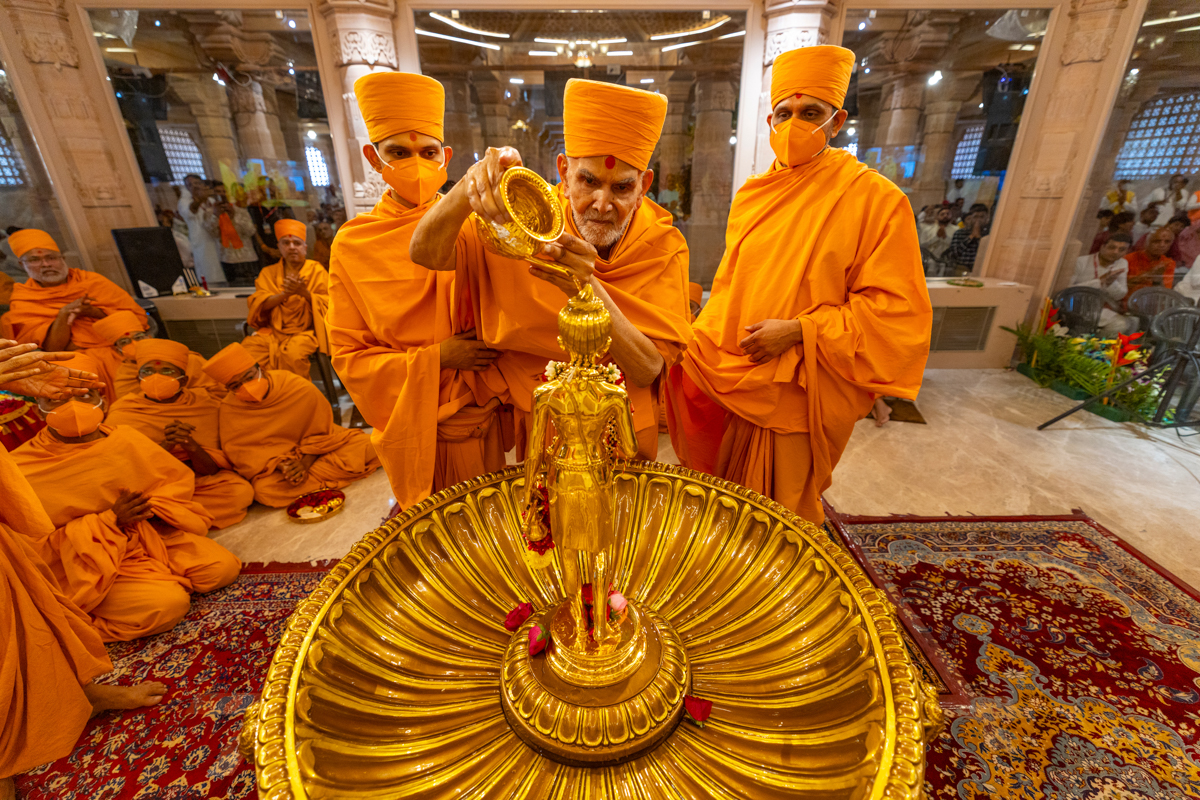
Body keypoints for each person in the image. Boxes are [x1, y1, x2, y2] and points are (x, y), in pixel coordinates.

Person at [664, 45, 931, 525]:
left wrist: (798, 332)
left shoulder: (876, 199)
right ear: (770, 121)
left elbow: (894, 310)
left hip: (799, 381)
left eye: (810, 113)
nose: (793, 125)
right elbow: (731, 286)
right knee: (726, 501)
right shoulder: (753, 195)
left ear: (837, 121)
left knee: (779, 515)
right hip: (737, 368)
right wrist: (695, 340)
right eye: (784, 113)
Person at [409, 78, 693, 458]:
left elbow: (647, 369)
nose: (602, 204)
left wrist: (586, 287)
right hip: (545, 420)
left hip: (624, 424)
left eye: (622, 188)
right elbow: (425, 253)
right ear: (564, 172)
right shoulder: (530, 220)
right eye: (588, 181)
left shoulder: (663, 246)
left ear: (643, 186)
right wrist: (467, 187)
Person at [329, 71, 510, 510]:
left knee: (489, 522)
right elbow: (350, 357)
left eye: (428, 152)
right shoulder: (353, 244)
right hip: (415, 417)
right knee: (434, 530)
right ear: (374, 158)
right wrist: (437, 358)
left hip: (480, 411)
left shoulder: (474, 226)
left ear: (445, 158)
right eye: (398, 152)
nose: (416, 164)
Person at [0, 342, 167, 800]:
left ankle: (78, 692)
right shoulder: (33, 455)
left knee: (19, 601)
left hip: (124, 550)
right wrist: (106, 522)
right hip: (88, 555)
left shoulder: (121, 437)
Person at [11, 351, 241, 642]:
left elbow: (173, 484)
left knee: (222, 569)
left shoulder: (124, 437)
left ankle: (155, 581)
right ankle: (76, 627)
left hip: (150, 537)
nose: (72, 406)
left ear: (103, 402)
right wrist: (110, 521)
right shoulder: (22, 466)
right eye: (56, 399)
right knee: (168, 606)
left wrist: (154, 507)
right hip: (87, 562)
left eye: (84, 396)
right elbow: (31, 547)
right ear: (38, 411)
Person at [202, 342, 380, 507]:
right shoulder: (230, 408)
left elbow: (323, 431)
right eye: (235, 386)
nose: (245, 386)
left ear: (261, 368)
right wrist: (282, 466)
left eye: (249, 377)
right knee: (264, 491)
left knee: (372, 446)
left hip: (320, 450)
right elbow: (243, 455)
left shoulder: (294, 385)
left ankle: (310, 483)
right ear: (228, 389)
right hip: (280, 466)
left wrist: (305, 462)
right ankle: (315, 480)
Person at [107, 340, 253, 529]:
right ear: (138, 379)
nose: (156, 377)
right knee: (130, 499)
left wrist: (189, 444)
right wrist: (166, 446)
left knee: (239, 492)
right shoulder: (123, 412)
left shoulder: (204, 403)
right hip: (156, 486)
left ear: (184, 381)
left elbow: (211, 470)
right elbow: (127, 472)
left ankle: (166, 517)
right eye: (148, 371)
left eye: (167, 371)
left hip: (198, 481)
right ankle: (171, 515)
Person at [0, 229, 146, 402]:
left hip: (120, 351)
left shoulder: (93, 282)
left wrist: (93, 312)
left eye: (51, 258)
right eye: (34, 260)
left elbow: (137, 321)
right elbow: (52, 348)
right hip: (71, 361)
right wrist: (64, 314)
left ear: (63, 258)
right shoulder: (24, 299)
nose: (46, 264)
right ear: (21, 264)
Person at [241, 219, 329, 378]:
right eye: (286, 243)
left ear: (305, 248)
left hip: (306, 332)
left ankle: (293, 392)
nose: (292, 247)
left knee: (292, 355)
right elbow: (259, 304)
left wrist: (304, 293)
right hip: (272, 331)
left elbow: (330, 304)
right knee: (246, 353)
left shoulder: (316, 270)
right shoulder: (268, 273)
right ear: (279, 247)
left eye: (297, 243)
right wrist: (285, 294)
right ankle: (264, 391)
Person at [92, 310, 226, 401]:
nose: (134, 344)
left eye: (139, 337)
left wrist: (179, 397)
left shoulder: (187, 359)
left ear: (149, 336)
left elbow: (218, 393)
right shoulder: (124, 376)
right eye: (124, 342)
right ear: (117, 349)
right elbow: (131, 406)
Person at [1068, 233, 1135, 335]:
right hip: (1075, 305)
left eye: (1122, 250)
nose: (1116, 252)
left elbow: (1120, 295)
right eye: (1112, 247)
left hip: (1099, 308)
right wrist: (1099, 281)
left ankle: (1097, 344)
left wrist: (1110, 283)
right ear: (1102, 246)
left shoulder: (1122, 263)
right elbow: (1067, 290)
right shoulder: (1081, 262)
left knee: (1126, 324)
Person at [205, 181, 260, 286]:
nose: (221, 194)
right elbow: (212, 234)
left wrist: (234, 216)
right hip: (227, 258)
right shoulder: (210, 213)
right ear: (213, 194)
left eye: (224, 191)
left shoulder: (240, 211)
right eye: (218, 192)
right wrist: (215, 216)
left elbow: (251, 231)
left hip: (247, 257)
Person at [176, 174, 226, 286]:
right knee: (210, 277)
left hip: (218, 241)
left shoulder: (211, 200)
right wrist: (198, 200)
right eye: (189, 185)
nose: (194, 187)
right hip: (202, 244)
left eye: (196, 183)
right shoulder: (184, 202)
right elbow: (190, 212)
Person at [1123, 227, 1177, 304]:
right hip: (1128, 302)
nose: (1162, 245)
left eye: (1167, 242)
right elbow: (1122, 286)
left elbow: (1164, 292)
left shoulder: (1168, 263)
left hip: (1153, 303)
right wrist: (1150, 274)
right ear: (1146, 242)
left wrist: (1158, 278)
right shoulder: (1128, 259)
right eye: (1156, 241)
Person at [247, 182, 296, 264]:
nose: (269, 189)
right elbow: (254, 230)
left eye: (271, 186)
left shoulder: (283, 207)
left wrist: (285, 247)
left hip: (285, 248)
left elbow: (293, 227)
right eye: (265, 186)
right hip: (265, 251)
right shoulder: (253, 208)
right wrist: (266, 248)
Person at [946, 203, 990, 274]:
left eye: (981, 217)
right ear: (971, 218)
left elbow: (988, 253)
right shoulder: (960, 233)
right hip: (961, 268)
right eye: (975, 217)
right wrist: (971, 237)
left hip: (983, 268)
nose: (978, 220)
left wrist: (979, 238)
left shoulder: (989, 234)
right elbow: (954, 254)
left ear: (987, 219)